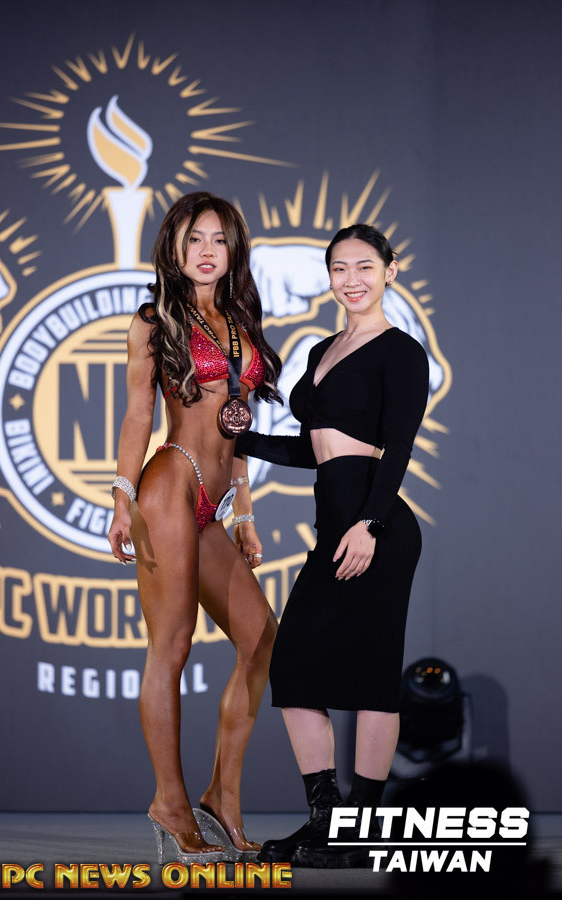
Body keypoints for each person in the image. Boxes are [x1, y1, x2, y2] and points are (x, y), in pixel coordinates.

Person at [236, 223, 429, 868]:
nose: (352, 280)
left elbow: (397, 447)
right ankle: (326, 822)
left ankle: (363, 831)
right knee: (293, 669)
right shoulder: (322, 348)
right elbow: (315, 451)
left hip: (378, 528)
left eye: (365, 267)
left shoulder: (401, 352)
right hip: (334, 527)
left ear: (389, 271)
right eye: (340, 269)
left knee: (373, 678)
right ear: (328, 278)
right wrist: (242, 441)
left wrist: (369, 524)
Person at [107, 192, 281, 865]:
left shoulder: (240, 319)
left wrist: (244, 511)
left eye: (219, 239)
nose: (207, 251)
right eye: (193, 239)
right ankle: (170, 803)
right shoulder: (154, 320)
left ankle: (221, 799)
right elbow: (136, 416)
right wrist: (122, 498)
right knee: (172, 648)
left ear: (234, 249)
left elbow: (239, 424)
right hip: (169, 487)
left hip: (214, 501)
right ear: (173, 249)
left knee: (262, 640)